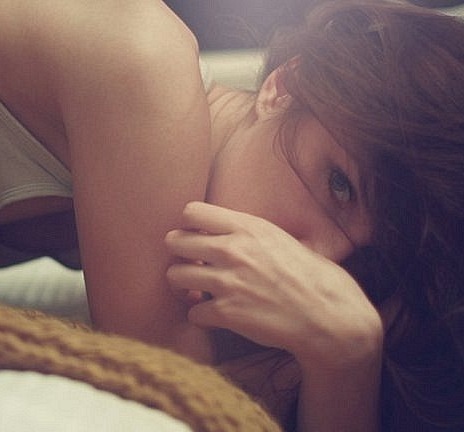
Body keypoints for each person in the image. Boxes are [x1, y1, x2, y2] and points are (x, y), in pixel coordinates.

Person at [0, 0, 463, 430]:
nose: (319, 260)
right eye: (339, 184)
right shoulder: (143, 61)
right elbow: (182, 396)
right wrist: (345, 359)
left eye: (368, 260)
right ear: (282, 89)